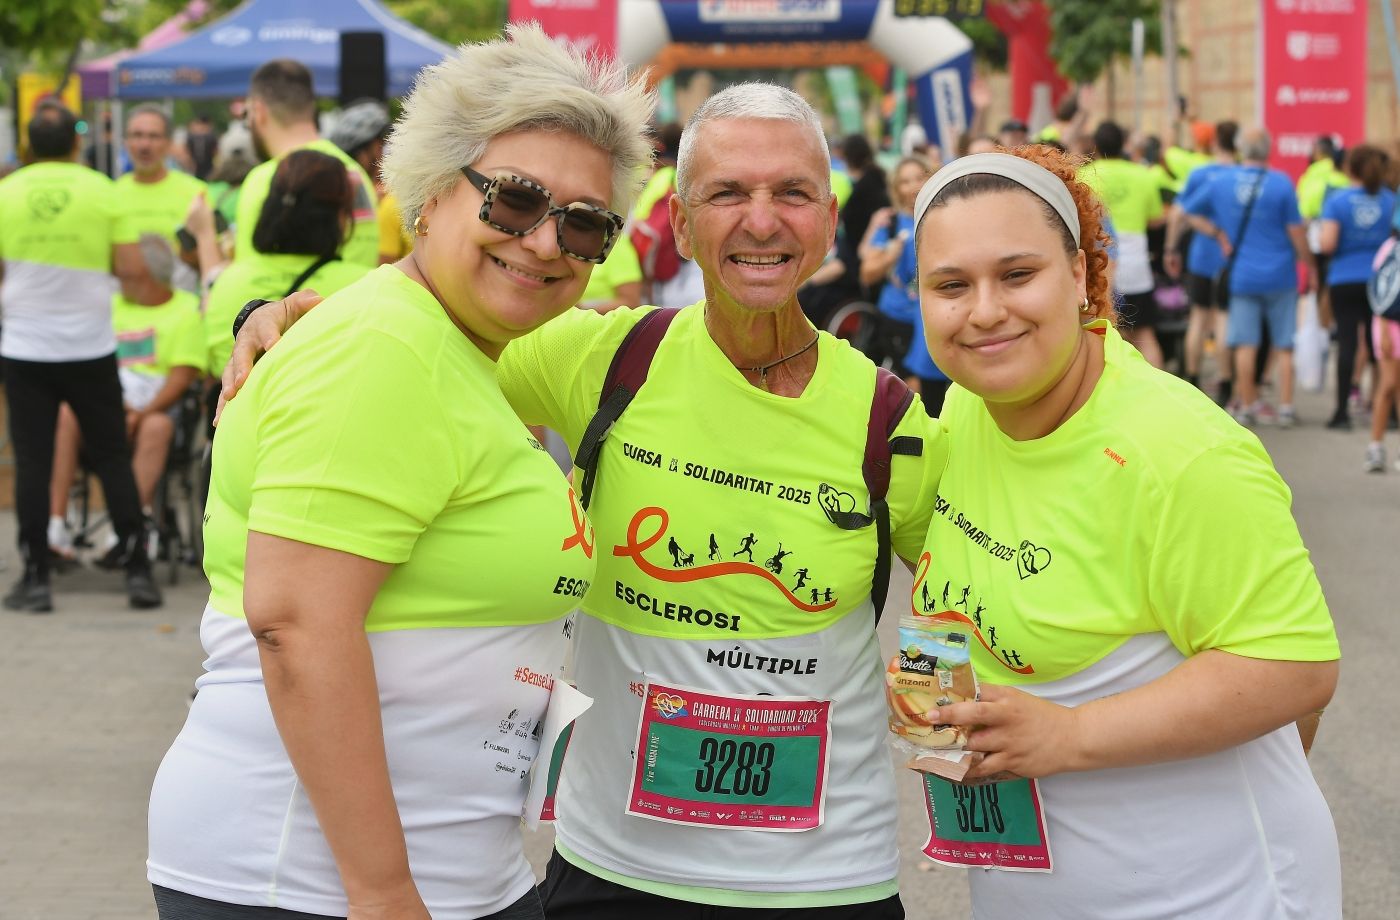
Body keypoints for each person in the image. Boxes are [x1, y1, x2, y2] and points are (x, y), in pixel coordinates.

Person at [225, 82, 947, 919]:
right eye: (726, 194)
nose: (761, 221)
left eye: (792, 193)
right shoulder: (603, 357)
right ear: (677, 223)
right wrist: (286, 315)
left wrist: (960, 738)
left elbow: (962, 613)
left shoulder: (891, 421)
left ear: (828, 219)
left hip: (826, 882)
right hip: (612, 872)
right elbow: (422, 337)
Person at [146, 25, 652, 920]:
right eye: (514, 200)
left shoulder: (457, 347)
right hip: (310, 880)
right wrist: (384, 895)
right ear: (428, 194)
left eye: (583, 223)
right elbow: (296, 625)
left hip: (444, 872)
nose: (544, 243)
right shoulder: (386, 348)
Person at [912, 147, 1341, 918]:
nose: (983, 311)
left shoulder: (1178, 450)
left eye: (1017, 275)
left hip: (1210, 895)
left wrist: (1070, 734)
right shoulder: (967, 409)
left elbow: (1295, 668)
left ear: (1081, 275)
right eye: (951, 285)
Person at [0, 101, 162, 611]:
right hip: (91, 348)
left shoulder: (6, 193)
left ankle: (37, 579)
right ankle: (137, 571)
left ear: (28, 145)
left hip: (25, 349)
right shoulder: (103, 191)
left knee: (33, 461)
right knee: (112, 455)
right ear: (76, 142)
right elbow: (132, 271)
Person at [48, 234, 204, 558]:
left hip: (158, 411)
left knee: (157, 427)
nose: (118, 277)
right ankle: (55, 525)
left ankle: (126, 530)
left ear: (142, 274)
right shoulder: (110, 306)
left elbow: (181, 377)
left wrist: (141, 414)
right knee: (65, 413)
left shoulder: (187, 310)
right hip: (104, 404)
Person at [202, 150, 373, 422]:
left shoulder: (227, 282)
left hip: (235, 429)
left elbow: (213, 365)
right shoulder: (366, 286)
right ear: (341, 216)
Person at [1181, 127, 1316, 427]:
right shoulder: (1281, 183)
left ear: (1243, 150)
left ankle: (1247, 404)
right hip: (1281, 275)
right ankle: (1285, 407)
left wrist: (1217, 233)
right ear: (1268, 150)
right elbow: (1296, 233)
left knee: (1245, 343)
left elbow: (1188, 211)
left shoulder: (1222, 181)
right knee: (1283, 344)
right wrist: (1312, 266)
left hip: (1242, 274)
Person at [235, 59, 379, 267]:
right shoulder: (353, 172)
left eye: (247, 114)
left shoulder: (264, 180)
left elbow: (250, 279)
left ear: (259, 111)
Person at [859, 153, 949, 413]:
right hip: (900, 319)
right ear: (897, 188)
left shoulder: (945, 217)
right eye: (904, 181)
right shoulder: (890, 224)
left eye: (918, 178)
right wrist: (891, 253)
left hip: (939, 315)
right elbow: (867, 274)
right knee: (917, 397)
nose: (912, 186)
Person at [1319, 144, 1395, 433]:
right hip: (1381, 283)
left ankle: (1341, 411)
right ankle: (1383, 406)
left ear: (1350, 168)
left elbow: (1327, 244)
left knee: (1348, 344)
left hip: (1344, 279)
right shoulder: (1390, 200)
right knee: (1380, 349)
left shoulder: (1338, 201)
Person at [1079, 120, 1166, 368]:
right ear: (1124, 145)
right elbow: (1156, 219)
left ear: (1094, 145)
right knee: (1146, 335)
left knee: (1106, 334)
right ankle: (1155, 389)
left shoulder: (1082, 176)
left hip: (1098, 263)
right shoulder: (1142, 174)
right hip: (1136, 261)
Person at [1165, 120, 1239, 402]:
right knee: (1223, 319)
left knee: (1197, 318)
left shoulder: (1201, 173)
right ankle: (1225, 382)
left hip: (1201, 256)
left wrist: (1171, 249)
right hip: (1231, 257)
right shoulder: (1243, 175)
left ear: (1215, 142)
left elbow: (1178, 214)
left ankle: (1193, 380)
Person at [116, 104, 208, 292]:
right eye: (137, 135)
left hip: (184, 314)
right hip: (125, 316)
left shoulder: (195, 192)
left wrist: (192, 257)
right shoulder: (110, 194)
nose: (144, 145)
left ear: (169, 143)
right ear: (126, 142)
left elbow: (214, 261)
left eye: (153, 136)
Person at [331, 99, 413, 266]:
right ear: (362, 148)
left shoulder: (375, 192)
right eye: (380, 144)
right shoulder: (344, 186)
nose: (384, 152)